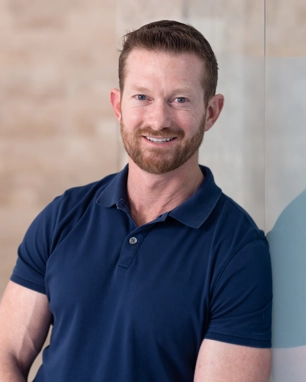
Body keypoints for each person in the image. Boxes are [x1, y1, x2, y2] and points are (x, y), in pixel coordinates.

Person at [0, 20, 272, 381]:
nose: (158, 120)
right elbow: (7, 352)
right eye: (142, 97)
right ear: (118, 105)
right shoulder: (63, 216)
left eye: (180, 100)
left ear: (211, 112)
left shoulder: (238, 251)